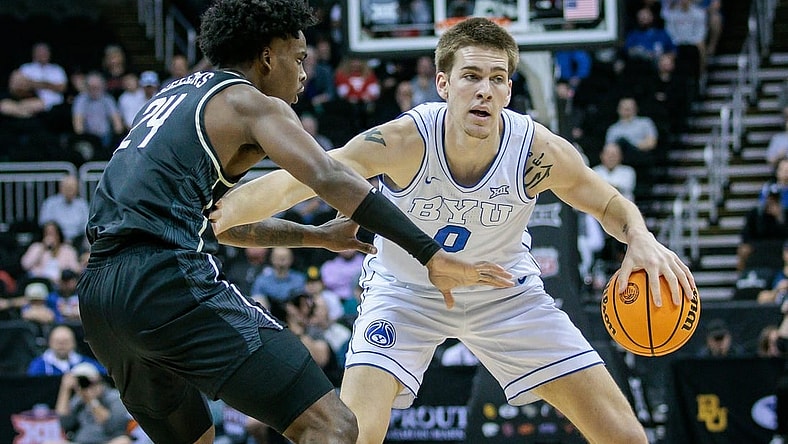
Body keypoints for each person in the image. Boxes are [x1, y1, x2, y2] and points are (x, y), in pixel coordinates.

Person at [211, 17, 697, 444]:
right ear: (443, 84)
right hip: (404, 293)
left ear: (508, 90)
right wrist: (220, 211)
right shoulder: (405, 140)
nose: (484, 89)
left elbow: (608, 201)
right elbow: (303, 177)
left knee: (626, 437)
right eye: (471, 76)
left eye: (497, 79)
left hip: (504, 293)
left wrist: (640, 237)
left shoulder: (537, 151)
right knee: (354, 435)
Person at [76, 2, 511, 443]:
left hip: (100, 301)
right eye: (299, 59)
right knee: (333, 426)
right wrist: (429, 252)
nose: (304, 73)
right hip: (162, 281)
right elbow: (328, 176)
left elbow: (219, 224)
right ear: (268, 57)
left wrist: (316, 236)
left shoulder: (172, 97)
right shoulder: (249, 102)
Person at [53, 362, 133, 444]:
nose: (86, 386)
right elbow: (64, 423)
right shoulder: (78, 400)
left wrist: (91, 401)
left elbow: (113, 426)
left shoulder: (114, 397)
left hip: (107, 440)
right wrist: (65, 389)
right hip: (81, 441)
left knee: (123, 442)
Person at [27, 324, 105, 376]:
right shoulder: (38, 365)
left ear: (74, 343)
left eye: (66, 341)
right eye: (57, 341)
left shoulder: (87, 363)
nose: (61, 345)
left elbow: (103, 377)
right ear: (49, 343)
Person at [38, 175, 90, 247]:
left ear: (77, 190)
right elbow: (45, 223)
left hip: (77, 240)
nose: (70, 191)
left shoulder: (82, 205)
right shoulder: (50, 203)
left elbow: (87, 225)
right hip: (56, 239)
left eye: (72, 188)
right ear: (61, 188)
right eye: (67, 188)